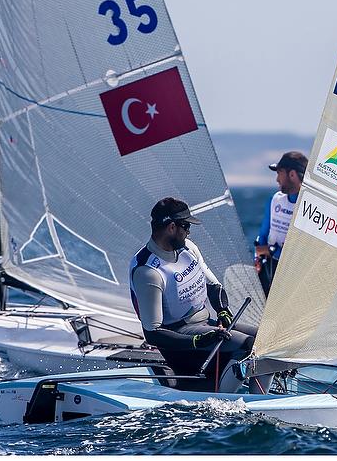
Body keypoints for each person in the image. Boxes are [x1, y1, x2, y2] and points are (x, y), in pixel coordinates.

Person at [129, 197, 272, 394]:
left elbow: (214, 286)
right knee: (248, 347)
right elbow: (153, 334)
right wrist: (198, 341)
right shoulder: (148, 271)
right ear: (171, 227)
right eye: (186, 226)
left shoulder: (188, 248)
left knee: (268, 339)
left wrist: (223, 311)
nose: (189, 231)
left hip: (206, 324)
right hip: (181, 339)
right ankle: (223, 404)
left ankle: (261, 401)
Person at [254, 151, 308, 294]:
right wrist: (259, 255)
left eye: (279, 173)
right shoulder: (276, 199)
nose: (277, 179)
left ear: (292, 175)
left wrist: (272, 250)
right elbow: (263, 234)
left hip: (293, 275)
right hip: (269, 267)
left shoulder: (308, 207)